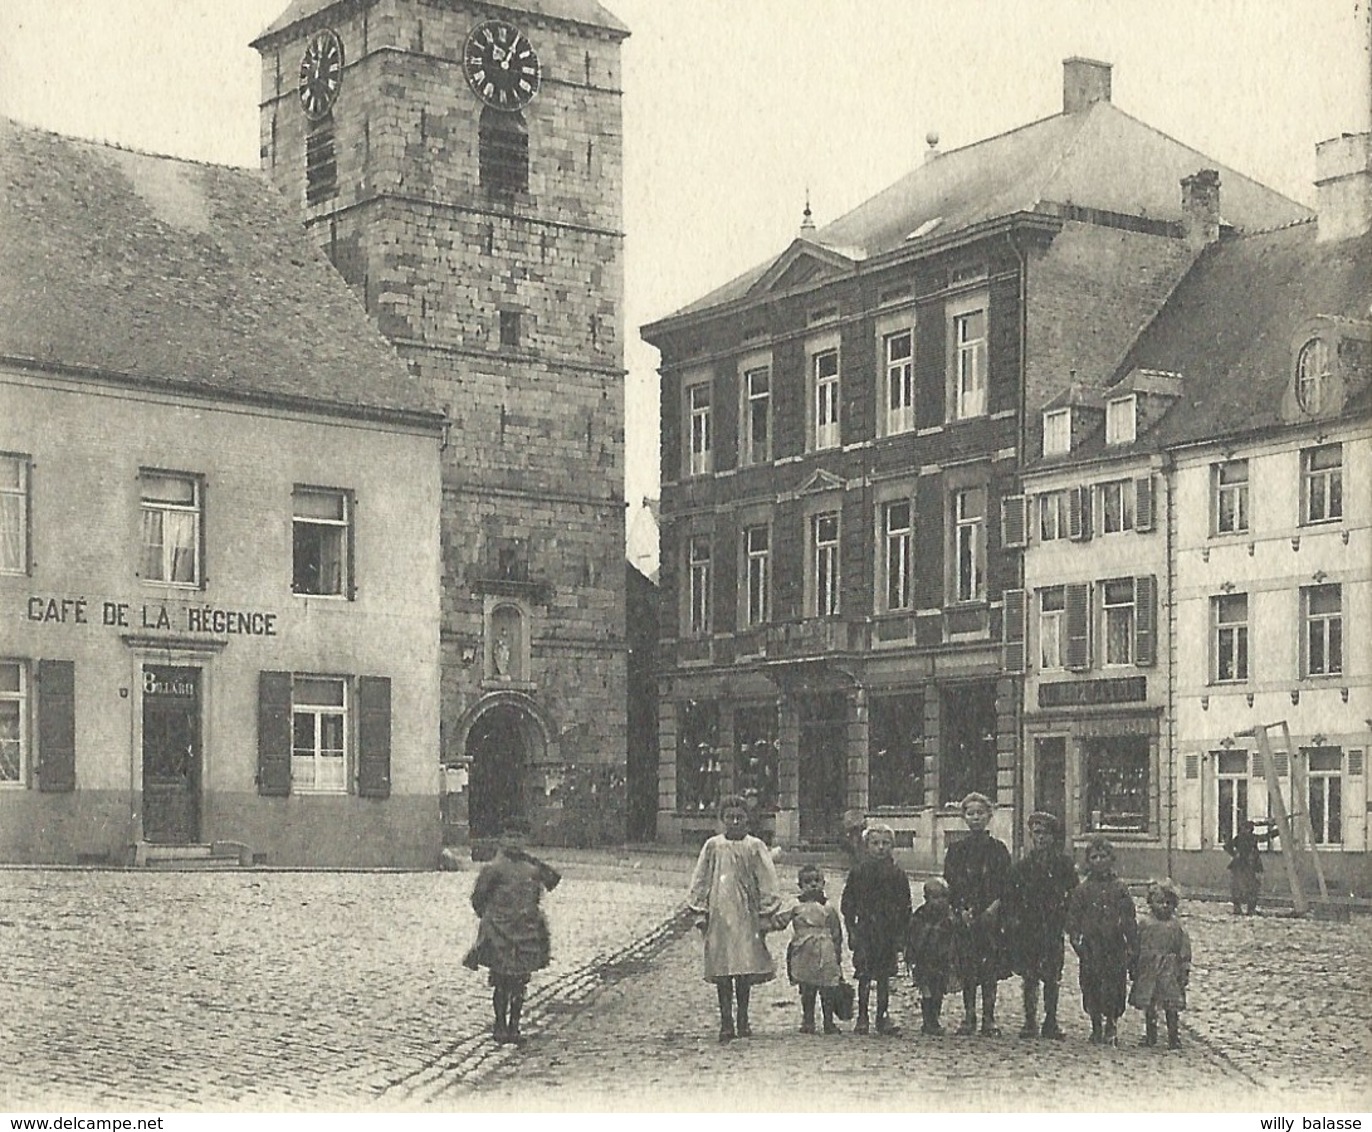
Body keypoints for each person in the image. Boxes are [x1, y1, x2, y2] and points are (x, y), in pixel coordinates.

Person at [686, 794, 783, 1042]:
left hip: (746, 915)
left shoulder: (755, 846)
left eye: (740, 817)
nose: (735, 822)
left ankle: (743, 1018)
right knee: (722, 968)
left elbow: (767, 879)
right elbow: (701, 878)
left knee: (743, 967)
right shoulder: (713, 846)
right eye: (730, 818)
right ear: (722, 820)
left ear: (748, 820)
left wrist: (765, 911)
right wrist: (700, 910)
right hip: (719, 914)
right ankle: (725, 1021)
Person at [466, 816, 561, 1045]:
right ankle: (499, 1025)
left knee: (519, 982)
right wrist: (491, 920)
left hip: (525, 931)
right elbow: (478, 898)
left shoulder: (531, 869)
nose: (514, 842)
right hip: (500, 932)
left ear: (525, 840)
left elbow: (551, 882)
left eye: (519, 838)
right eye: (509, 837)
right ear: (501, 840)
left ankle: (514, 1027)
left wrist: (531, 861)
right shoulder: (493, 869)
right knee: (501, 981)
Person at [1003, 811, 1078, 1040]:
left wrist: (1068, 919)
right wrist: (1014, 920)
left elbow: (1074, 894)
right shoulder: (1022, 867)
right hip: (1028, 928)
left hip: (1052, 927)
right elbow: (1011, 896)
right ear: (1031, 836)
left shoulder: (1064, 865)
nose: (1041, 838)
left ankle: (1051, 1021)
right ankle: (1029, 1021)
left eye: (1046, 833)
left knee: (1053, 976)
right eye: (1037, 833)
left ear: (1054, 837)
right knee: (1030, 976)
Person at [943, 791, 1012, 1036]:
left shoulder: (998, 849)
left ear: (989, 816)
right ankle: (969, 1016)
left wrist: (994, 908)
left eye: (980, 813)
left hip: (991, 917)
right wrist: (960, 910)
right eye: (970, 813)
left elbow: (1006, 884)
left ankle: (989, 1018)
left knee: (989, 969)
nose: (975, 818)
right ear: (964, 817)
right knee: (968, 969)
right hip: (966, 917)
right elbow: (951, 882)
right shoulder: (956, 850)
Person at [1066, 835, 1138, 1046]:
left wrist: (1132, 944)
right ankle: (1095, 1024)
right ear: (1088, 861)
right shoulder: (1082, 890)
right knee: (1091, 985)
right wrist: (1076, 941)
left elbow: (1129, 918)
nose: (1099, 861)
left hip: (1114, 945)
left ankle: (1111, 1023)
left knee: (1114, 986)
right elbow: (1073, 919)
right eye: (1094, 857)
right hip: (1091, 947)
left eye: (1103, 856)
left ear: (1111, 859)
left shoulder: (1120, 889)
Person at [840, 822, 911, 1035]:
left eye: (885, 843)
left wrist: (902, 936)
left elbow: (905, 906)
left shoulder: (898, 874)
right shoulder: (859, 872)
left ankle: (882, 1016)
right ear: (866, 846)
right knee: (863, 975)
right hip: (866, 931)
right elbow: (848, 905)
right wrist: (851, 930)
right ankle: (862, 1016)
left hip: (888, 933)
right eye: (875, 843)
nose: (880, 848)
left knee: (883, 978)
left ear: (892, 846)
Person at [782, 865, 845, 1035]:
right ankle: (808, 1020)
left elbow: (836, 931)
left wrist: (837, 953)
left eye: (817, 881)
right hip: (803, 950)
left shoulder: (828, 908)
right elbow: (781, 920)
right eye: (808, 882)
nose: (813, 885)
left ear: (823, 883)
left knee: (828, 988)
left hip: (825, 950)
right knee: (807, 987)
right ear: (800, 885)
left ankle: (828, 1021)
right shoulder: (795, 907)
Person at [1129, 880, 1192, 1049]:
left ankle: (1173, 1036)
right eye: (1160, 902)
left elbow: (1184, 948)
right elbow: (1136, 945)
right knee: (1150, 1003)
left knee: (1171, 1005)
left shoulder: (1176, 926)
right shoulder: (1144, 924)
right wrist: (1133, 964)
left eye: (1169, 903)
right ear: (1150, 902)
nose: (1164, 906)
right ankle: (1151, 1035)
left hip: (1170, 970)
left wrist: (1184, 968)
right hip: (1149, 969)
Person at [906, 876, 960, 1036]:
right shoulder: (921, 915)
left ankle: (934, 1017)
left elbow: (955, 936)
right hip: (924, 959)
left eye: (943, 897)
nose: (939, 901)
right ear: (926, 898)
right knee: (927, 990)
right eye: (935, 897)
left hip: (942, 960)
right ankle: (928, 1020)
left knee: (938, 991)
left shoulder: (949, 916)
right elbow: (913, 935)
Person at [1224, 818, 1278, 916]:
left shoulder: (1244, 837)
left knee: (1249, 888)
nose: (1247, 830)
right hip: (1243, 866)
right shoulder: (1242, 838)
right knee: (1245, 888)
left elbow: (1265, 837)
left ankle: (1246, 909)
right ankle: (1243, 909)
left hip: (1248, 865)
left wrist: (1276, 831)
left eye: (1249, 829)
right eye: (1246, 828)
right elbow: (1227, 846)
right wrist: (1235, 854)